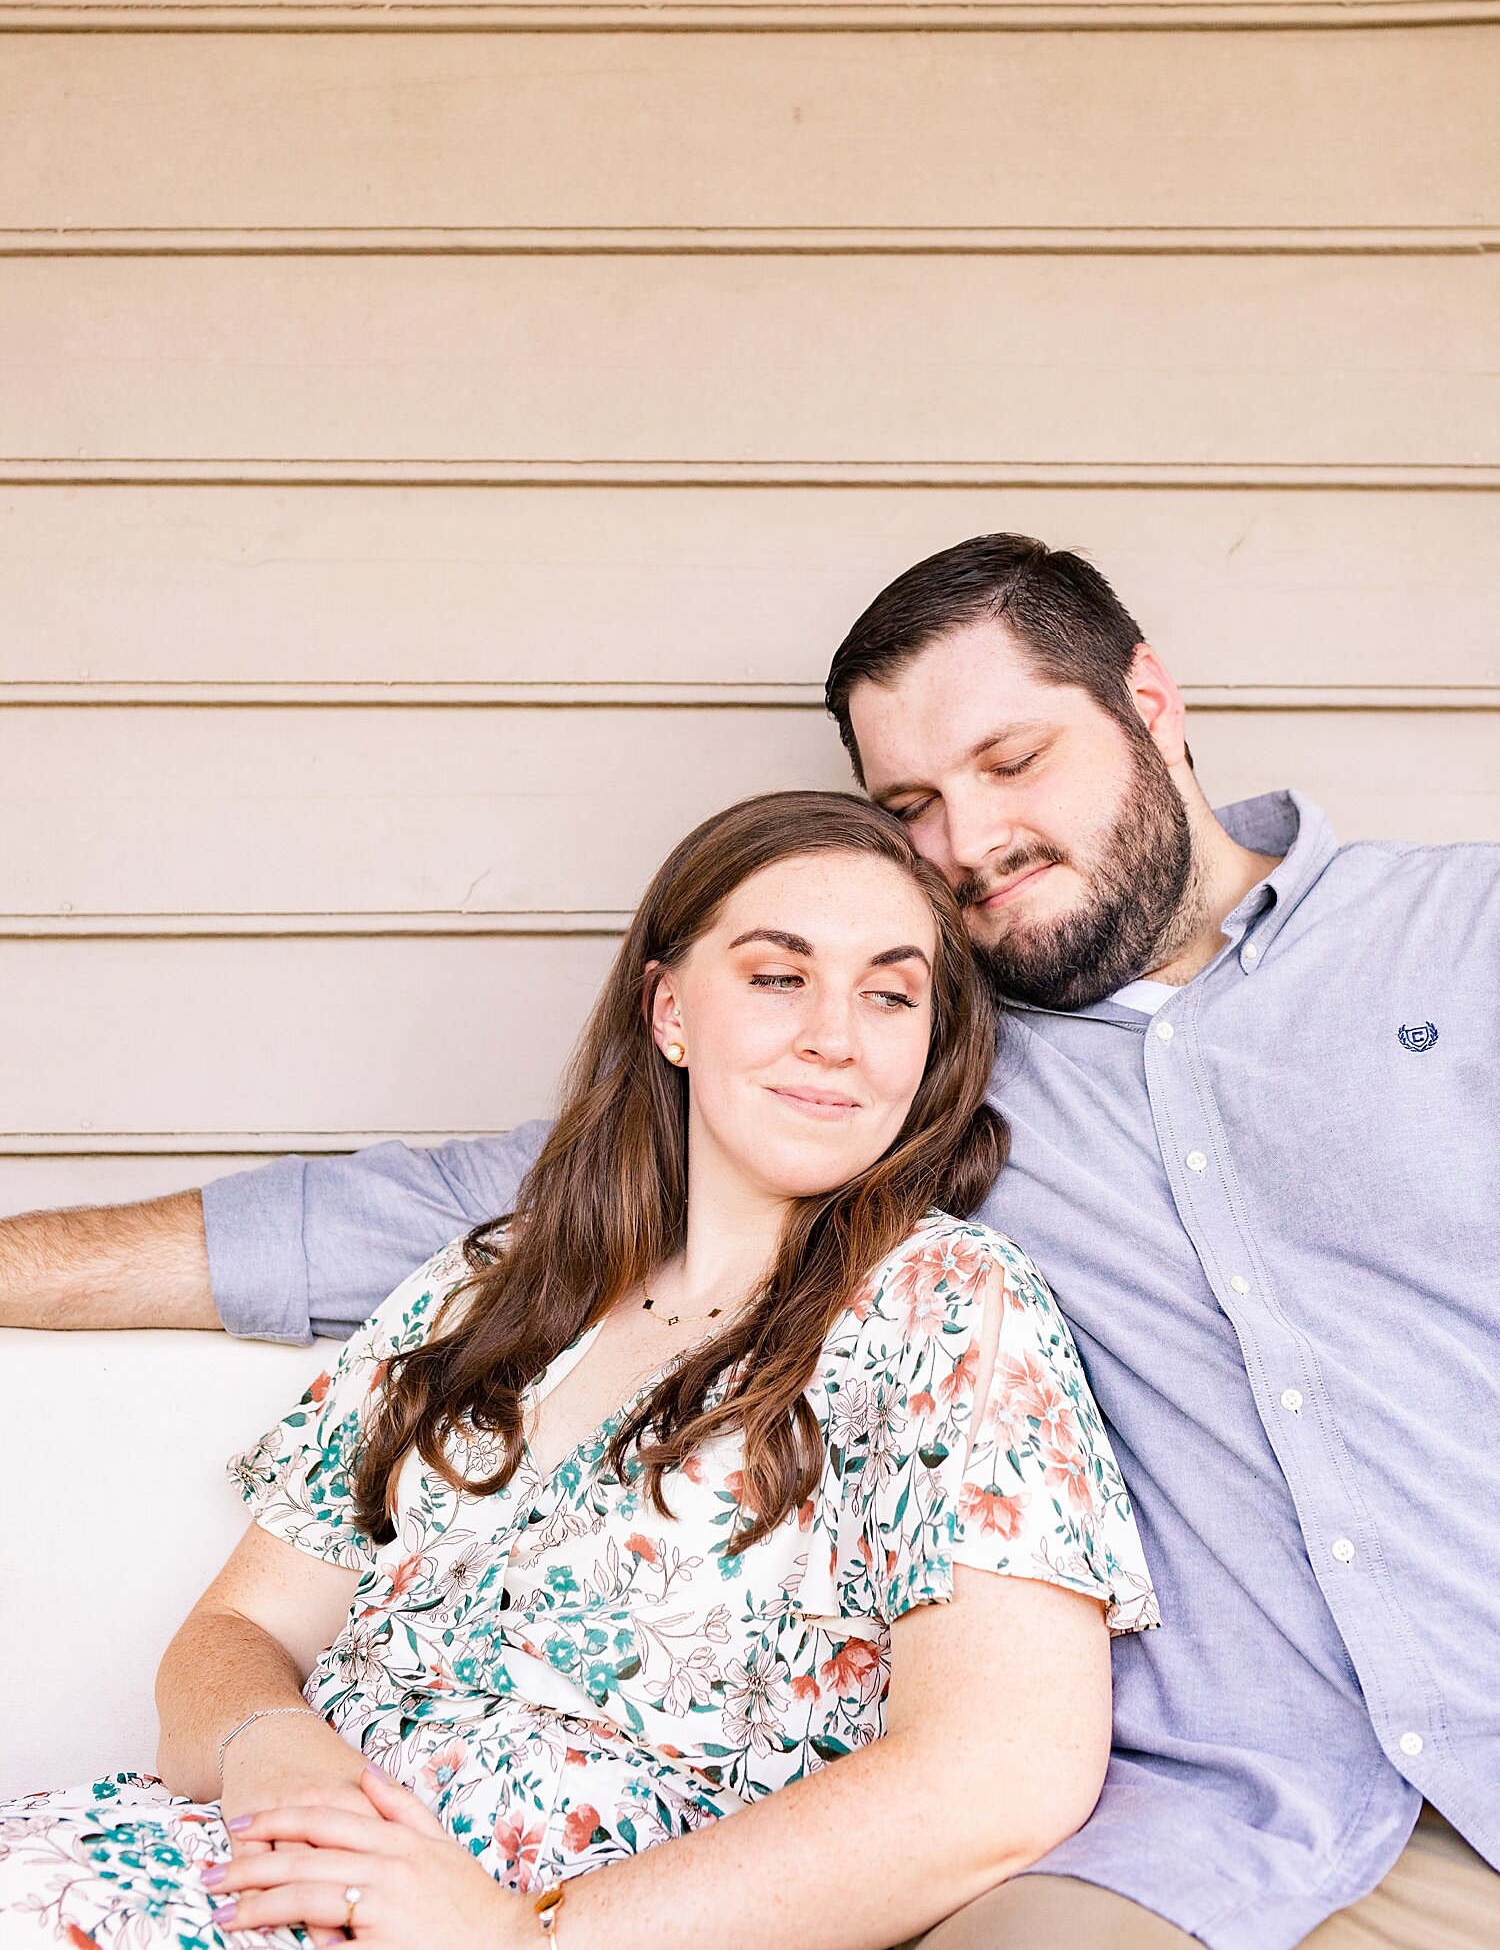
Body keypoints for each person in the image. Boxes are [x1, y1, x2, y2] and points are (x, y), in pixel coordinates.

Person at [2, 533, 1497, 1948]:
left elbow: (984, 1765)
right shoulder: (911, 1084)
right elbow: (482, 1202)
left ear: (1151, 704)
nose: (968, 841)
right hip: (1215, 1826)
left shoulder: (1460, 938)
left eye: (1012, 757)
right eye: (912, 804)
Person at [0, 790, 1155, 1950]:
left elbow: (1002, 1774)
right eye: (775, 976)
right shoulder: (492, 1283)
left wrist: (521, 1933)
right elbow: (239, 1626)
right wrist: (268, 1748)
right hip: (217, 1868)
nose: (835, 1035)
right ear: (670, 1012)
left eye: (890, 994)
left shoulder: (950, 1307)